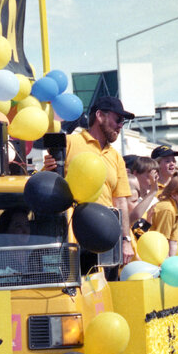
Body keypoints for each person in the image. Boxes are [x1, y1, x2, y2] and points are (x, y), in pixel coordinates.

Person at [44, 97, 136, 263]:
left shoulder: (116, 156)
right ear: (100, 116)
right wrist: (49, 168)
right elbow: (50, 186)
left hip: (107, 240)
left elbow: (121, 201)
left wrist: (125, 240)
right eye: (118, 119)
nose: (121, 125)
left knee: (107, 287)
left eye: (123, 122)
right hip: (73, 238)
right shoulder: (69, 142)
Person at [149, 175, 178, 257]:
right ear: (174, 195)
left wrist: (172, 262)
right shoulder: (168, 209)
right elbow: (162, 241)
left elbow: (173, 242)